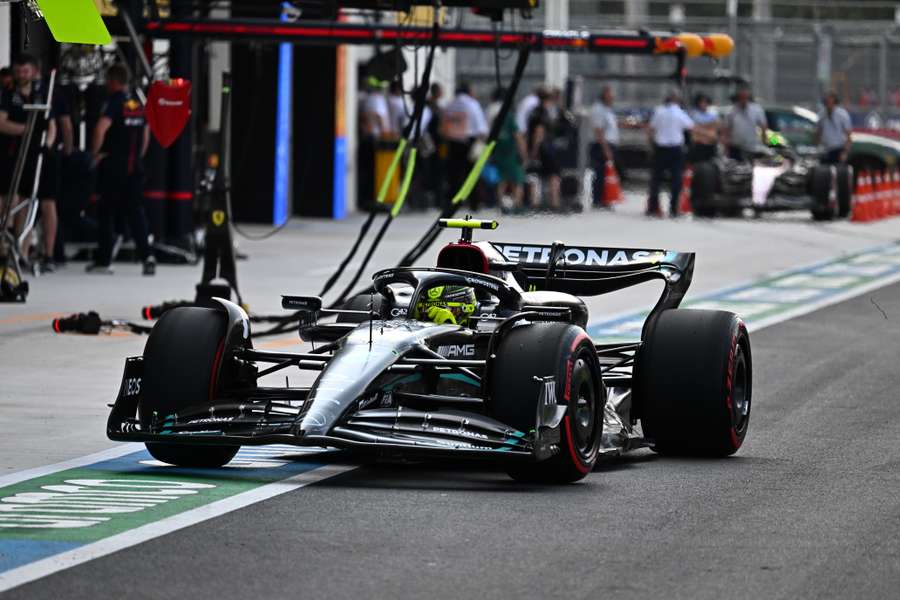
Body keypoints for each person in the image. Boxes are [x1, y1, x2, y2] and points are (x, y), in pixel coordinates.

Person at [88, 64, 154, 275]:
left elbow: (100, 128)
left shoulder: (114, 102)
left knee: (106, 212)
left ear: (113, 81)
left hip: (113, 166)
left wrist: (95, 153)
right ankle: (147, 256)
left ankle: (104, 260)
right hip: (134, 167)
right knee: (136, 213)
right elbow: (145, 134)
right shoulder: (136, 102)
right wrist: (138, 157)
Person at [0, 54, 54, 251]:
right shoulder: (6, 94)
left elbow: (51, 124)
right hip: (9, 154)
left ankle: (22, 249)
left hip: (33, 155)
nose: (22, 75)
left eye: (26, 71)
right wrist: (26, 130)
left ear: (34, 72)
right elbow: (1, 122)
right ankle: (4, 246)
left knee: (27, 200)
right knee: (6, 200)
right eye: (19, 71)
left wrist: (46, 145)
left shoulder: (41, 95)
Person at [440, 82, 488, 210]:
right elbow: (481, 128)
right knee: (471, 173)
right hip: (469, 142)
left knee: (454, 174)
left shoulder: (450, 105)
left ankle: (452, 202)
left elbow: (444, 125)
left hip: (453, 143)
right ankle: (474, 203)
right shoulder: (473, 104)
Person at [647, 89, 694, 218]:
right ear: (677, 100)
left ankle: (653, 208)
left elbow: (651, 130)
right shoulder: (680, 113)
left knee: (656, 179)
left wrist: (651, 146)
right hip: (675, 149)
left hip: (660, 148)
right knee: (676, 180)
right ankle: (673, 209)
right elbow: (690, 127)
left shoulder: (659, 111)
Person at [487, 87, 526, 213]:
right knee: (517, 179)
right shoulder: (509, 117)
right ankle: (517, 204)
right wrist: (523, 153)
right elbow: (518, 136)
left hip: (498, 150)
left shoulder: (495, 116)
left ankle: (500, 204)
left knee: (502, 179)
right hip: (511, 152)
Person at [589, 85, 619, 208]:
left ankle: (606, 198)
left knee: (606, 174)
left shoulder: (607, 109)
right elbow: (598, 131)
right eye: (611, 96)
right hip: (601, 146)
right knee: (600, 173)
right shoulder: (599, 109)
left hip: (608, 144)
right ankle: (598, 199)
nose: (613, 98)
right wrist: (606, 149)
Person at [722, 86, 767, 161]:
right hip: (735, 147)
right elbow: (726, 130)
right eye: (741, 98)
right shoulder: (731, 112)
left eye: (745, 98)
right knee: (736, 169)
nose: (744, 100)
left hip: (751, 147)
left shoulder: (756, 110)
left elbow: (763, 127)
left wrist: (764, 143)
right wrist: (725, 148)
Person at [815, 91, 852, 165]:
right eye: (827, 101)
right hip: (825, 150)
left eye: (831, 101)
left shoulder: (842, 115)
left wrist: (845, 152)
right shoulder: (821, 115)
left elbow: (848, 135)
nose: (829, 103)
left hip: (838, 149)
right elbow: (819, 132)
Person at [687, 92, 719, 164]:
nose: (704, 104)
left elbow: (715, 127)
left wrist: (702, 128)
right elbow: (694, 129)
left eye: (706, 102)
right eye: (702, 102)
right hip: (698, 146)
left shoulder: (711, 114)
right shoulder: (693, 113)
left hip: (710, 146)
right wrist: (707, 130)